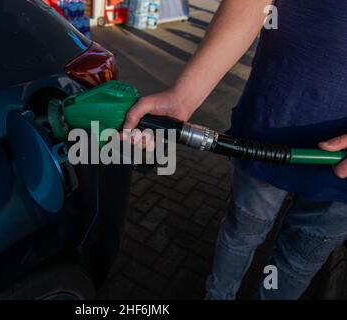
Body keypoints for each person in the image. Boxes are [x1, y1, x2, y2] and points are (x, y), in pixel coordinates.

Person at [123, 0, 347, 299]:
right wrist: (184, 95)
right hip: (268, 129)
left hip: (339, 175)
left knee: (297, 261)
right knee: (242, 233)